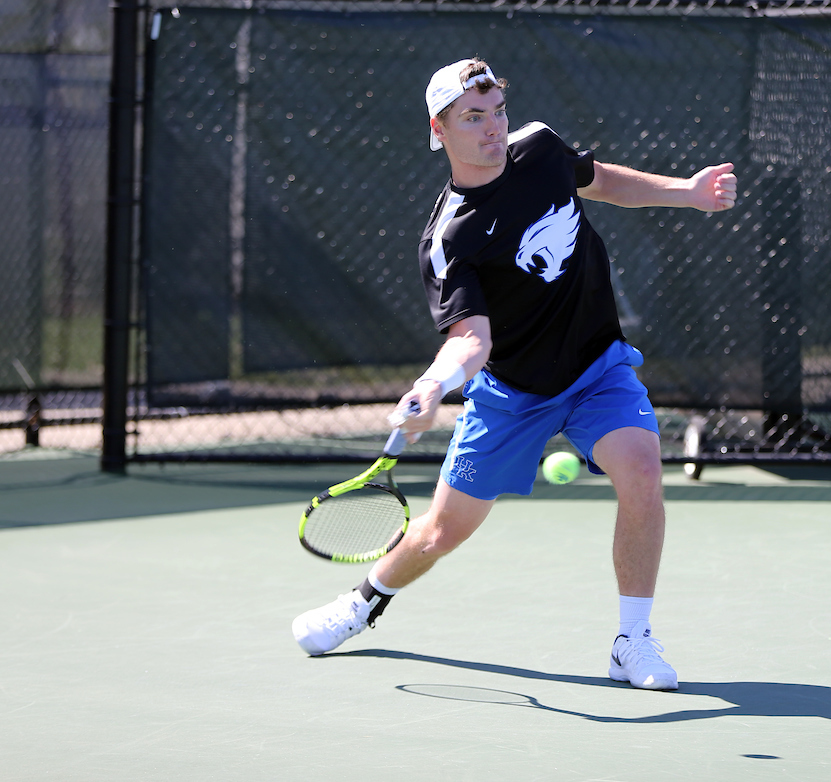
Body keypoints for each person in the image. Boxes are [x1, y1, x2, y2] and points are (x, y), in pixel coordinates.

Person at [292, 58, 737, 690]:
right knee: (442, 532)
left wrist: (686, 192)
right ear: (439, 129)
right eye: (473, 118)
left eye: (497, 111)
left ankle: (632, 641)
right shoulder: (450, 239)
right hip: (511, 394)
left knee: (641, 470)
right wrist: (433, 385)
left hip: (595, 367)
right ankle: (363, 601)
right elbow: (472, 338)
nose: (493, 128)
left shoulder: (540, 147)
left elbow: (601, 179)